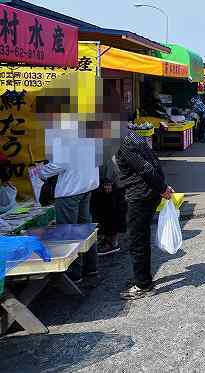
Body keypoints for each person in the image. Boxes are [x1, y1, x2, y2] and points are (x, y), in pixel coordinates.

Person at [115, 120, 174, 300]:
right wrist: (162, 186)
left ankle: (143, 284)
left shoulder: (123, 142)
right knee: (140, 237)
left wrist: (162, 188)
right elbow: (154, 160)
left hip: (140, 195)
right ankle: (141, 278)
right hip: (147, 192)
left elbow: (146, 167)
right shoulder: (132, 135)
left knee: (137, 240)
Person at [37, 127, 100, 284]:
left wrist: (41, 171)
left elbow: (60, 163)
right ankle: (91, 268)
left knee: (68, 232)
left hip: (70, 189)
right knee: (86, 229)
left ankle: (74, 273)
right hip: (87, 184)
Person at [91, 154, 127, 256]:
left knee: (109, 212)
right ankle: (109, 240)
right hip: (108, 181)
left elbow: (110, 159)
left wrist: (108, 181)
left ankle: (111, 243)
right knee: (107, 211)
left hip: (110, 183)